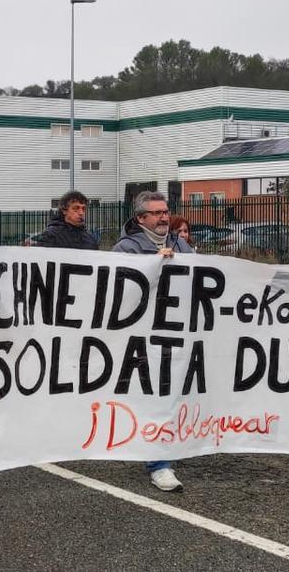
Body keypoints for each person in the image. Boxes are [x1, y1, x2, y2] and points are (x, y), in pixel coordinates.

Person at [112, 190, 195, 492]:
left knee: (172, 396)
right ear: (141, 218)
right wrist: (155, 270)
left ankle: (164, 450)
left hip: (177, 332)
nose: (164, 217)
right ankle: (158, 463)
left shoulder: (179, 242)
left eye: (166, 211)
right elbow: (120, 291)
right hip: (145, 336)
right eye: (157, 213)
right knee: (153, 396)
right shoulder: (126, 248)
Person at [31, 190, 99, 249]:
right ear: (64, 210)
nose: (81, 213)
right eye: (76, 208)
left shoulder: (90, 238)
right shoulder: (51, 235)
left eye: (83, 209)